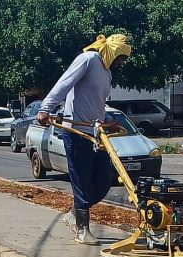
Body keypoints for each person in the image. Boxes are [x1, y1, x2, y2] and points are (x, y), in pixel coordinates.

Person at [36, 34, 131, 245]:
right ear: (113, 51)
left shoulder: (106, 71)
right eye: (121, 58)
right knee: (82, 181)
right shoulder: (88, 59)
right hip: (76, 132)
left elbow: (96, 103)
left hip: (95, 133)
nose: (121, 63)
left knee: (103, 182)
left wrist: (107, 120)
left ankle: (73, 214)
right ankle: (82, 230)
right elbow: (64, 83)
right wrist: (45, 108)